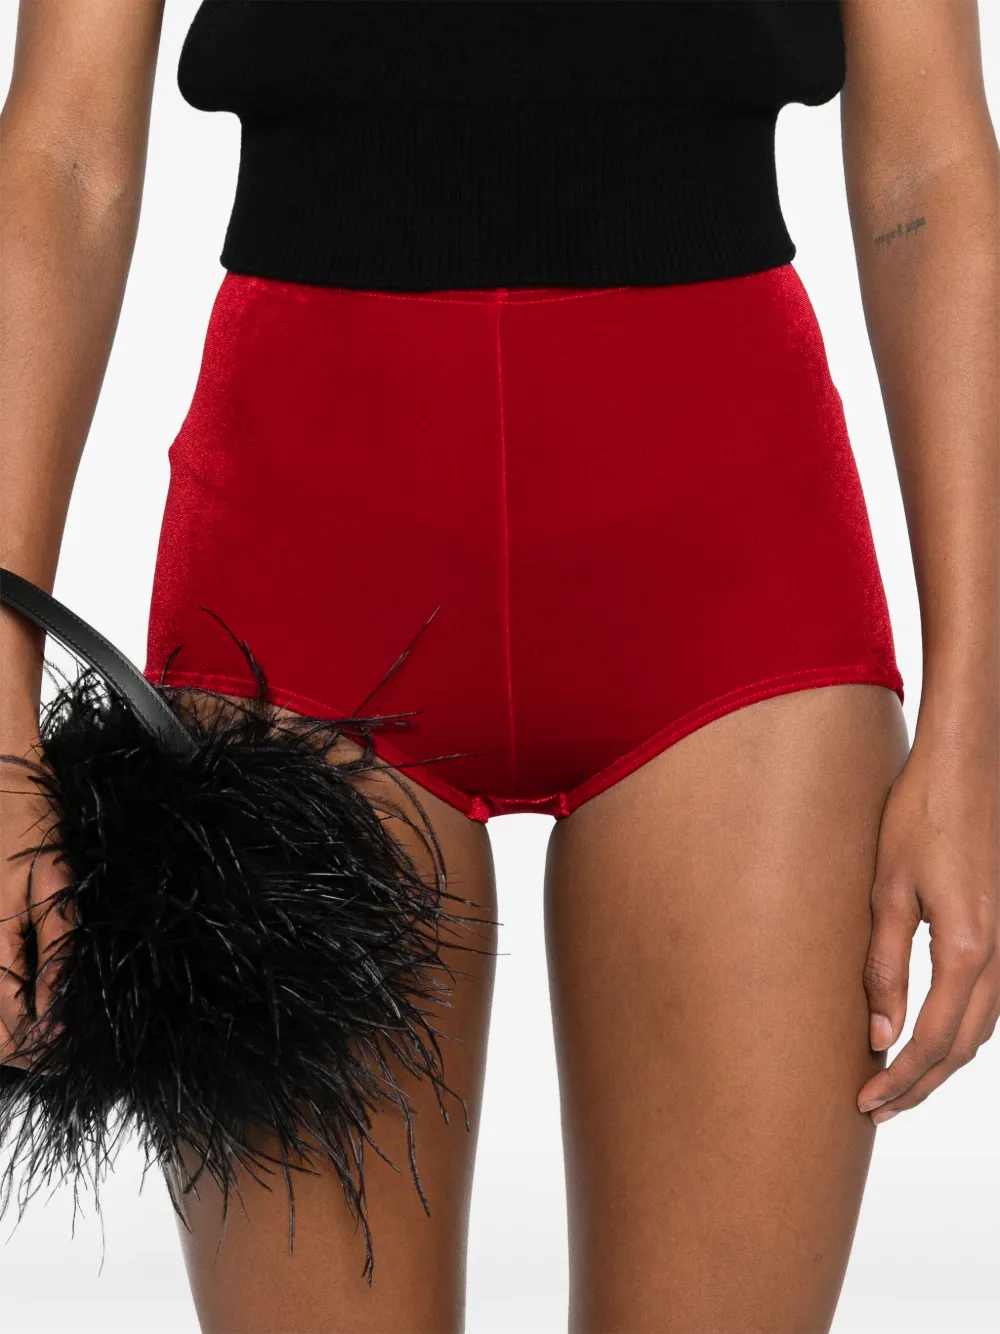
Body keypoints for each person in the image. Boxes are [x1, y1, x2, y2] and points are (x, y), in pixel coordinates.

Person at [1, 2, 996, 1331]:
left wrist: (975, 724)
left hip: (729, 564)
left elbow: (929, 160)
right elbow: (62, 155)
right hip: (303, 580)